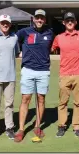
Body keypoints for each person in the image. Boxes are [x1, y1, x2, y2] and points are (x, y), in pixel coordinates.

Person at [14, 9, 54, 142]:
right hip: (28, 70)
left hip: (43, 71)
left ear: (45, 20)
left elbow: (52, 47)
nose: (39, 20)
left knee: (41, 99)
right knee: (25, 98)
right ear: (33, 19)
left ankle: (37, 126)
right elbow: (13, 41)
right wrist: (18, 52)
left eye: (42, 18)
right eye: (37, 18)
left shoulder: (50, 33)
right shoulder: (24, 32)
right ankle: (21, 129)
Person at [51, 12, 79, 137]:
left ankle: (76, 126)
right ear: (63, 22)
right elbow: (53, 48)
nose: (69, 22)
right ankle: (62, 126)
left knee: (78, 102)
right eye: (67, 20)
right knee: (63, 102)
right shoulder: (59, 37)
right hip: (64, 74)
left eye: (72, 20)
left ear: (75, 22)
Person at [0, 14, 20, 142]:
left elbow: (17, 54)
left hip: (10, 76)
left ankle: (9, 127)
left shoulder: (15, 37)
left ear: (10, 24)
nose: (5, 25)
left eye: (7, 23)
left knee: (9, 104)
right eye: (3, 23)